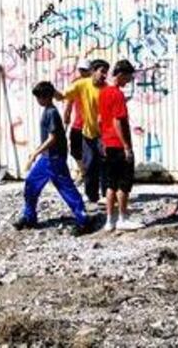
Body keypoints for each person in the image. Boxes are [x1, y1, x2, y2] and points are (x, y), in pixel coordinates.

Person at [15, 81, 92, 237]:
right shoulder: (48, 109)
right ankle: (29, 217)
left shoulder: (51, 113)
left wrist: (35, 152)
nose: (37, 101)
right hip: (47, 158)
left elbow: (53, 138)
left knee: (66, 188)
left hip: (54, 158)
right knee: (31, 183)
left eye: (39, 97)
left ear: (45, 98)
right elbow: (58, 95)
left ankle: (83, 219)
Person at [98, 59, 143, 230]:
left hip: (108, 143)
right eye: (129, 77)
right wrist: (127, 147)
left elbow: (100, 119)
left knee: (110, 184)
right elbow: (118, 121)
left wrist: (102, 140)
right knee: (123, 184)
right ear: (121, 74)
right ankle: (123, 218)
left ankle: (110, 221)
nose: (129, 81)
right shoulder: (117, 94)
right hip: (118, 144)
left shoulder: (103, 92)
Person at [58, 59, 110, 204]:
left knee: (105, 163)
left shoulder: (106, 89)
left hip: (103, 133)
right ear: (93, 71)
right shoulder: (80, 84)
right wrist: (50, 92)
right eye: (102, 71)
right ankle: (91, 195)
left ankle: (106, 194)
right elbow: (64, 96)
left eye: (106, 72)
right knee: (89, 163)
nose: (104, 75)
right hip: (87, 132)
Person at [63, 58, 92, 183]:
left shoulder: (94, 83)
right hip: (78, 122)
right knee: (75, 149)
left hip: (92, 123)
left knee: (92, 151)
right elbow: (69, 100)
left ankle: (90, 174)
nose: (82, 72)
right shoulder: (75, 83)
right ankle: (83, 171)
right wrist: (67, 113)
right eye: (81, 70)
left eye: (85, 70)